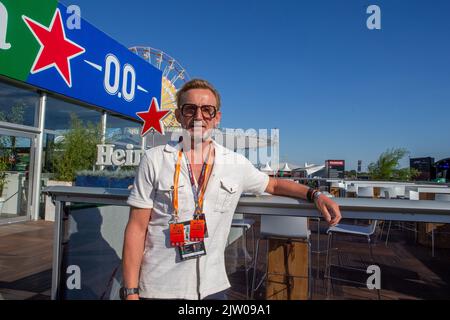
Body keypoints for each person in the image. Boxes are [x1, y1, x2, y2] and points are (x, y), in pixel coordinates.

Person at [122, 79, 342, 300]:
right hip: (160, 287)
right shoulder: (154, 159)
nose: (199, 117)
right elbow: (136, 228)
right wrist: (131, 292)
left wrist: (315, 194)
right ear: (179, 116)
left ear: (217, 118)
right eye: (190, 109)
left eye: (207, 110)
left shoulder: (235, 163)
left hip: (212, 287)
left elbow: (273, 184)